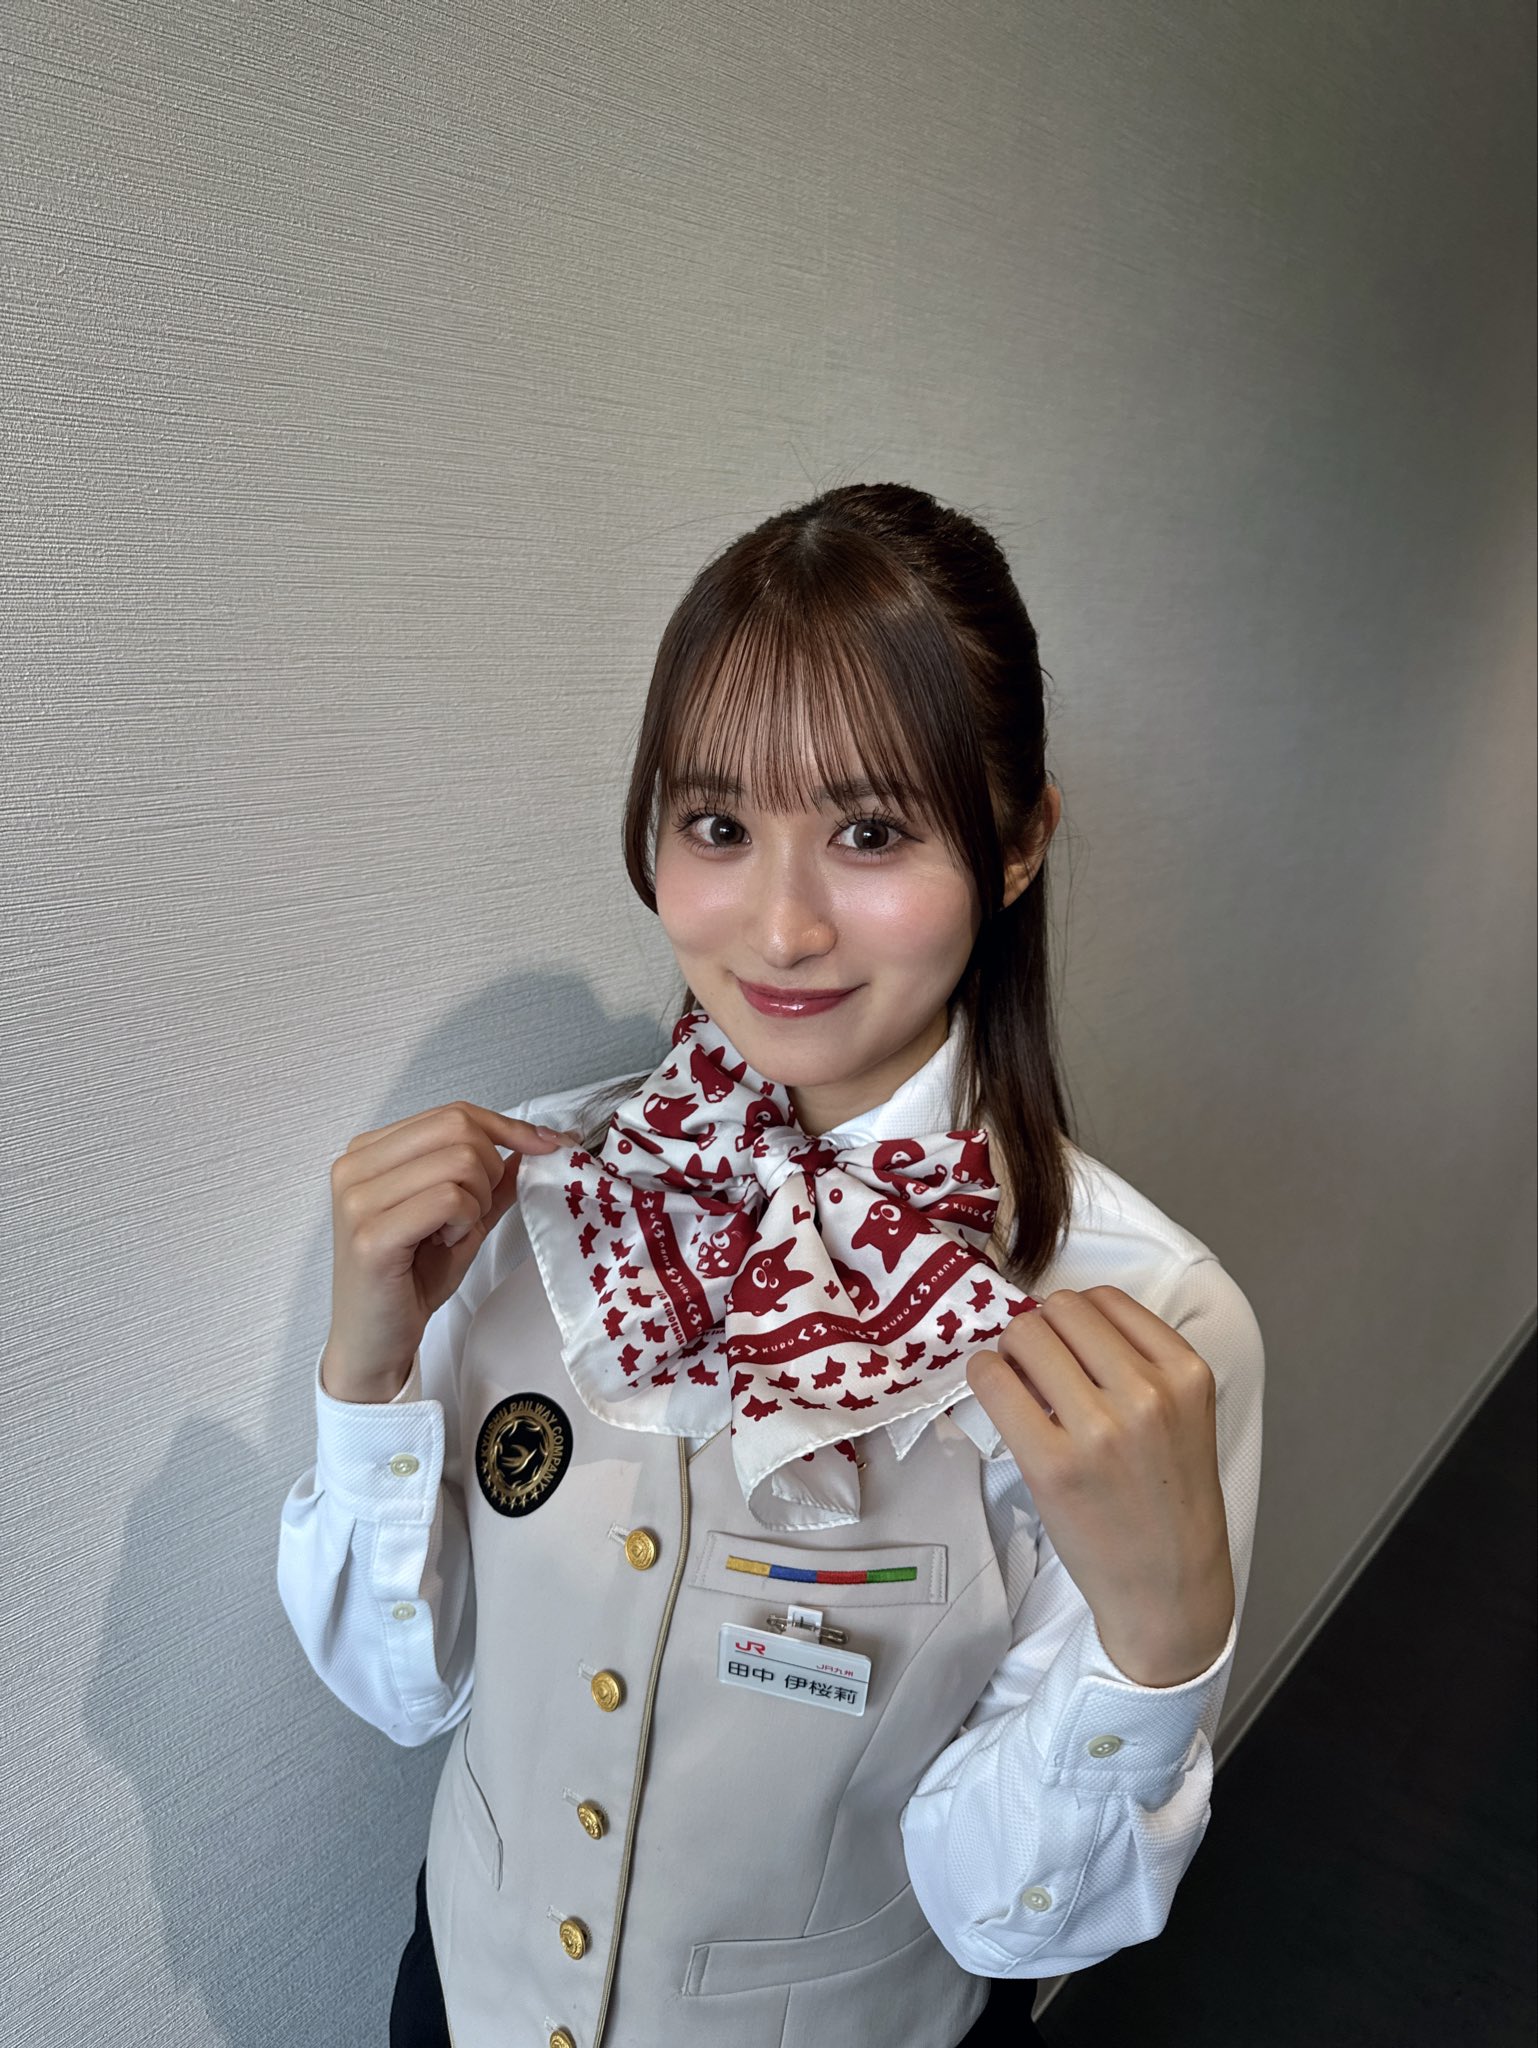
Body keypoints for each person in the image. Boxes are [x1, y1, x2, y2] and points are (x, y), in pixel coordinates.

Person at [277, 481, 1265, 2048]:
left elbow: (1008, 1921)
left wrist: (1157, 1653)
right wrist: (366, 1377)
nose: (783, 927)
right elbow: (411, 1692)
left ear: (1016, 845)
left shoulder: (1137, 1315)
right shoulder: (535, 1195)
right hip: (458, 2002)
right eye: (718, 827)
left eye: (871, 832)